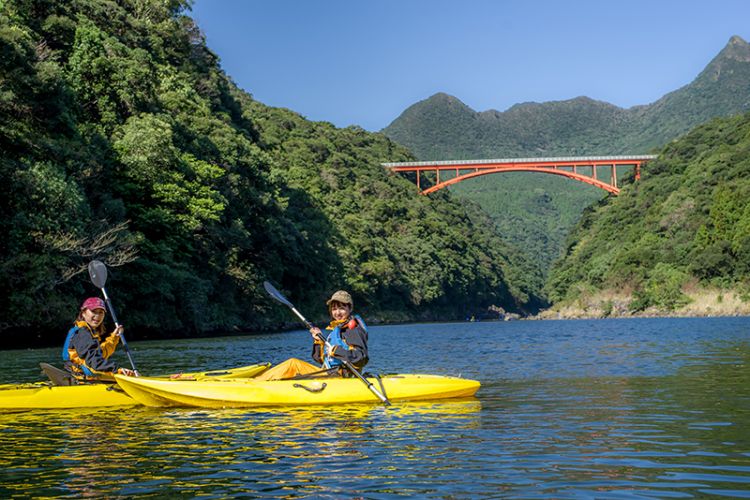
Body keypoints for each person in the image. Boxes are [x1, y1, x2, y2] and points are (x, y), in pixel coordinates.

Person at [62, 297, 135, 380]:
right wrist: (116, 370)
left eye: (101, 312)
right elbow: (93, 362)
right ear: (83, 313)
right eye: (93, 311)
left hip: (81, 377)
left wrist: (114, 338)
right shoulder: (83, 334)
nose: (97, 316)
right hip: (81, 379)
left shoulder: (85, 332)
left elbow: (100, 353)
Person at [309, 290, 369, 377]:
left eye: (342, 308)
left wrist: (337, 351)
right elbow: (321, 359)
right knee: (293, 363)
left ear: (350, 308)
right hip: (329, 373)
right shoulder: (338, 329)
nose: (337, 313)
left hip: (341, 377)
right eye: (334, 309)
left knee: (292, 366)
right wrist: (319, 342)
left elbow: (361, 358)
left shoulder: (352, 329)